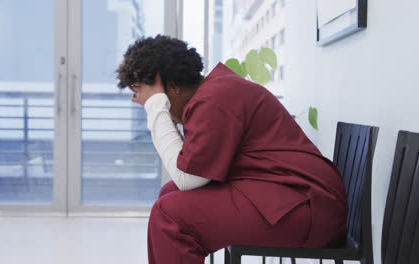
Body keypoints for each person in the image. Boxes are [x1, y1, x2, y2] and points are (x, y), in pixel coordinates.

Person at [116, 35, 347, 264]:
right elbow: (188, 168)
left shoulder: (214, 100)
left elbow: (188, 177)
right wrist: (158, 103)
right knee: (170, 193)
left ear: (173, 87)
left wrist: (156, 108)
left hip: (309, 210)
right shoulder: (213, 93)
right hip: (291, 196)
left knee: (169, 216)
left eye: (156, 99)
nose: (164, 111)